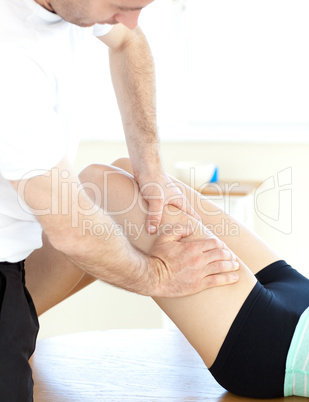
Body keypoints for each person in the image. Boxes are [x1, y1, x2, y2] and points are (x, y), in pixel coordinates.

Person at [0, 0, 239, 400]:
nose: (131, 19)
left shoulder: (71, 7)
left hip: (18, 258)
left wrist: (150, 166)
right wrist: (160, 276)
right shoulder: (11, 55)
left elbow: (128, 42)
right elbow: (72, 231)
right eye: (122, 5)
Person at [27, 157, 309, 399]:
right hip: (300, 300)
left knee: (98, 185)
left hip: (279, 347)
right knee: (130, 172)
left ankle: (8, 323)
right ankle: (14, 318)